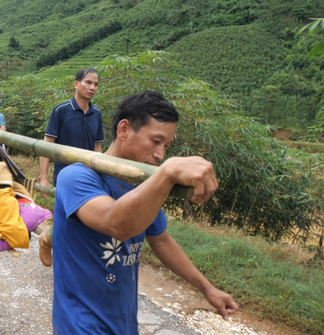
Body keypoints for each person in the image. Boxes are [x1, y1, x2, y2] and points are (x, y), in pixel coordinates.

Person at [51, 91, 238, 334]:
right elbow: (116, 224)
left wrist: (208, 289)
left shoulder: (140, 186)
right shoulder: (76, 176)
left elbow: (161, 241)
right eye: (155, 141)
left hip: (124, 324)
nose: (161, 155)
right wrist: (167, 172)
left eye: (166, 146)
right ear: (124, 130)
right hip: (80, 325)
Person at [38, 68, 104, 266]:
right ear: (76, 84)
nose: (92, 87)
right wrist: (43, 177)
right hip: (64, 176)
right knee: (64, 220)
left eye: (96, 84)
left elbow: (98, 148)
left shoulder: (96, 114)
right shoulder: (61, 111)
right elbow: (47, 144)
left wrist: (103, 175)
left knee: (87, 221)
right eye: (88, 82)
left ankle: (73, 260)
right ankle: (46, 242)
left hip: (89, 177)